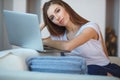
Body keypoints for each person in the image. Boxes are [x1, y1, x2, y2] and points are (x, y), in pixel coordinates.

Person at [40, 0, 120, 78]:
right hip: (80, 72)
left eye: (57, 11)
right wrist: (45, 21)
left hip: (103, 69)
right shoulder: (60, 36)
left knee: (89, 69)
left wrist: (44, 41)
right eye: (52, 17)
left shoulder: (90, 27)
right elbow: (32, 39)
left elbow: (68, 46)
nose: (57, 17)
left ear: (65, 8)